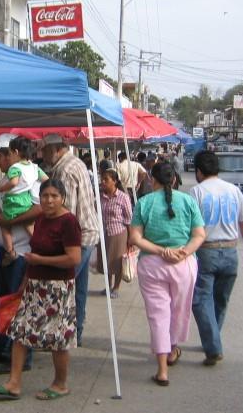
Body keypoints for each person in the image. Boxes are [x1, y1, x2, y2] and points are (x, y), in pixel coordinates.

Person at [0, 179, 81, 401]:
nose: (49, 200)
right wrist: (25, 282)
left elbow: (73, 258)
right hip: (34, 286)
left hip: (58, 289)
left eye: (54, 196)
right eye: (45, 195)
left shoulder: (68, 222)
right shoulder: (40, 219)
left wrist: (41, 260)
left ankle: (60, 384)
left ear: (63, 198)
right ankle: (14, 382)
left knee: (57, 338)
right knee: (20, 331)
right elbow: (34, 250)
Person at [129, 162, 206, 386]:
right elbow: (199, 235)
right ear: (174, 180)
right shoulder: (188, 201)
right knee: (179, 311)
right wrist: (183, 253)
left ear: (153, 180)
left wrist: (161, 251)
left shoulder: (144, 202)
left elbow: (135, 239)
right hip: (184, 264)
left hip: (152, 264)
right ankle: (172, 350)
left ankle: (162, 370)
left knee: (158, 315)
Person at [189, 150, 243, 367]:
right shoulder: (233, 191)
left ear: (199, 171)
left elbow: (189, 226)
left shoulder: (196, 192)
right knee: (221, 300)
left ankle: (213, 345)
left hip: (206, 251)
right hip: (230, 252)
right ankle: (212, 339)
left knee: (200, 300)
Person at [0, 134, 41, 374]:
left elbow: (38, 209)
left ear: (12, 154)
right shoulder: (6, 178)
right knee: (1, 300)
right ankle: (1, 346)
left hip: (20, 250)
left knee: (18, 303)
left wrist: (9, 219)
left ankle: (17, 356)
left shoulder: (27, 177)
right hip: (1, 248)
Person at [40, 134, 99, 346]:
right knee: (79, 291)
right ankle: (76, 333)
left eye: (44, 150)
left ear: (57, 149)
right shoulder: (76, 163)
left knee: (58, 288)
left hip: (80, 237)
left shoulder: (64, 170)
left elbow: (66, 213)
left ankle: (56, 335)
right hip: (88, 233)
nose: (42, 155)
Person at [0, 136, 48, 262]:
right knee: (28, 225)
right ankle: (40, 246)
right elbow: (47, 180)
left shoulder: (15, 169)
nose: (8, 157)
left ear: (16, 152)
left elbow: (14, 183)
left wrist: (2, 188)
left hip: (21, 251)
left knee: (4, 225)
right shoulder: (34, 168)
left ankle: (10, 251)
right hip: (25, 201)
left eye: (7, 154)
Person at [98, 169, 132, 298]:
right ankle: (108, 285)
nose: (103, 182)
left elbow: (129, 219)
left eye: (106, 179)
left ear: (115, 181)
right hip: (104, 233)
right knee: (106, 261)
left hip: (119, 234)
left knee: (117, 262)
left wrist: (130, 239)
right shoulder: (100, 196)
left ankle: (116, 287)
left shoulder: (123, 197)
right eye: (102, 179)